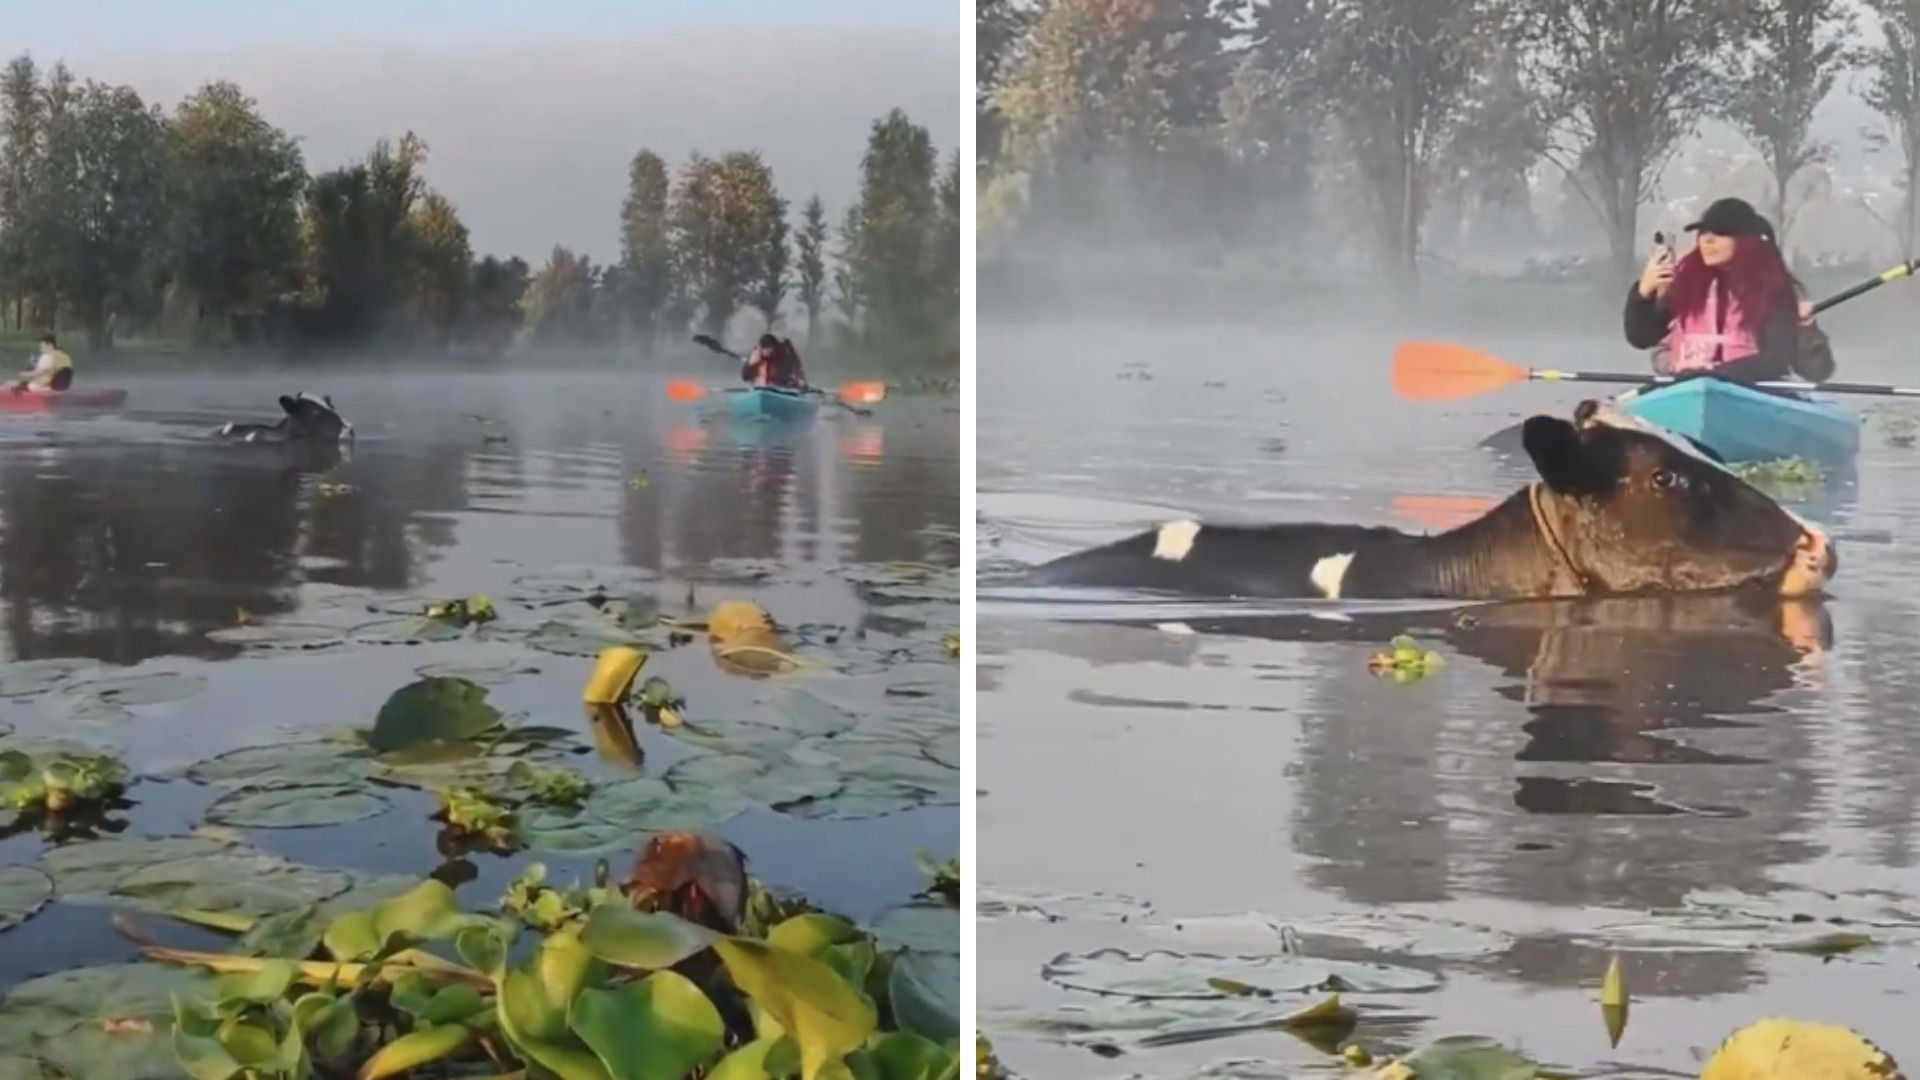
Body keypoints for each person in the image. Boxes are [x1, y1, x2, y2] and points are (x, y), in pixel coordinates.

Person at [1624, 196, 1835, 387]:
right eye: (1704, 232)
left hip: (1748, 391)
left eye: (1720, 233)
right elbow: (1640, 337)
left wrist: (1713, 375)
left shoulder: (1773, 292)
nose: (1707, 240)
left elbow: (1775, 359)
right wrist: (1643, 292)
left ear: (1745, 241)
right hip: (1685, 387)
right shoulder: (1685, 284)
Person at [741, 333, 808, 390]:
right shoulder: (755, 355)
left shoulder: (783, 356)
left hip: (780, 388)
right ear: (761, 348)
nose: (767, 351)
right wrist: (750, 365)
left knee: (795, 383)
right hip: (760, 388)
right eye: (764, 348)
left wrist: (799, 381)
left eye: (769, 348)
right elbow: (745, 377)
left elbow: (794, 371)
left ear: (775, 347)